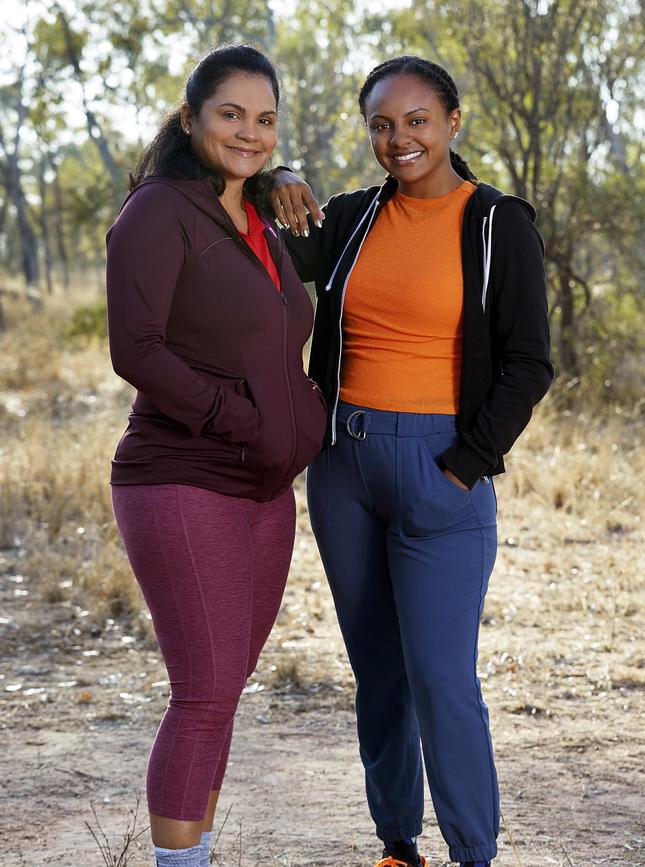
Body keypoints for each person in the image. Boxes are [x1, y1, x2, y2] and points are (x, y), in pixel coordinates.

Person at [271, 55, 554, 867]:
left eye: (417, 120)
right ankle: (398, 844)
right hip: (345, 470)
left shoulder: (500, 224)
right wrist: (281, 171)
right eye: (382, 125)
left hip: (442, 470)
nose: (399, 139)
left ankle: (475, 851)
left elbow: (530, 361)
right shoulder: (354, 217)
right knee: (380, 675)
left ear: (453, 122)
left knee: (441, 678)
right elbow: (265, 236)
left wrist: (465, 463)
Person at [105, 45, 326, 867]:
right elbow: (137, 348)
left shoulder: (257, 214)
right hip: (181, 476)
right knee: (201, 694)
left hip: (265, 488)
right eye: (230, 114)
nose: (249, 132)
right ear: (191, 116)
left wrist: (281, 175)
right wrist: (239, 417)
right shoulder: (158, 211)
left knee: (224, 691)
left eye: (265, 120)